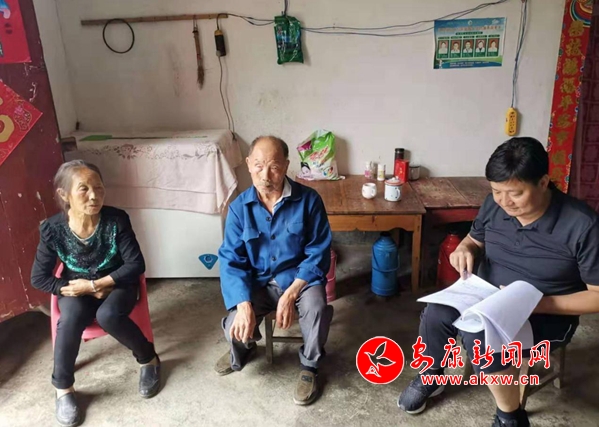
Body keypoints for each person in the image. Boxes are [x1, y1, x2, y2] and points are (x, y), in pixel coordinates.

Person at [397, 137, 599, 427]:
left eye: (515, 193)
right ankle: (432, 375)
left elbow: (596, 296)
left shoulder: (582, 225)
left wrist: (537, 305)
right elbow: (474, 239)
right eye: (496, 191)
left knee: (482, 339)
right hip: (487, 295)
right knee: (436, 312)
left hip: (547, 314)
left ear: (543, 183)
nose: (504, 201)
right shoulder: (495, 205)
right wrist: (464, 248)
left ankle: (510, 416)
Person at [31, 160, 160, 427]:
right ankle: (63, 388)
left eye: (99, 188)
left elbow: (135, 264)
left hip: (117, 283)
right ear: (64, 194)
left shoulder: (116, 219)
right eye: (84, 189)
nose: (94, 196)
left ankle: (149, 359)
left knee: (108, 315)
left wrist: (98, 284)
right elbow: (39, 277)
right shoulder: (53, 229)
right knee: (70, 319)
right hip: (76, 287)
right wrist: (69, 288)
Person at [215, 135, 334, 406]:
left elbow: (318, 251)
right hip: (258, 283)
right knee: (234, 325)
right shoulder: (238, 209)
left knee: (316, 308)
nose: (265, 175)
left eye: (274, 167)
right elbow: (231, 260)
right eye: (258, 166)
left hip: (299, 280)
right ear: (248, 164)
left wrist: (291, 293)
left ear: (287, 166)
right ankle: (245, 348)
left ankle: (310, 366)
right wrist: (243, 304)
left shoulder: (309, 201)